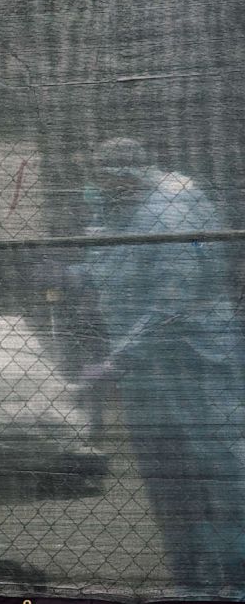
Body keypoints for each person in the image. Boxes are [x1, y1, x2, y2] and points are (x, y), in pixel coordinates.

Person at [78, 138, 245, 591]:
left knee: (218, 462)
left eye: (101, 177)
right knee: (165, 468)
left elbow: (172, 303)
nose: (93, 187)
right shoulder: (119, 208)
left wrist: (115, 361)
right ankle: (192, 573)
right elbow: (110, 268)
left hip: (193, 358)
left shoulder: (170, 210)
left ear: (123, 176)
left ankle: (235, 570)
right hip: (144, 365)